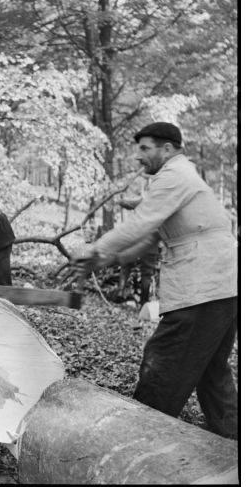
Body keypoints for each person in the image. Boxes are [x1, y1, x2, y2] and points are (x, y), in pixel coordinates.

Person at [74, 122, 237, 438]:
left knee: (163, 361)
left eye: (145, 148)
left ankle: (138, 436)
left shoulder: (174, 176)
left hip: (204, 284)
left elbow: (139, 224)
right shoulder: (180, 177)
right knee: (212, 372)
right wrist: (107, 258)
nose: (138, 156)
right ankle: (234, 441)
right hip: (222, 283)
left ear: (167, 149)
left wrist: (94, 249)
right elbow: (150, 238)